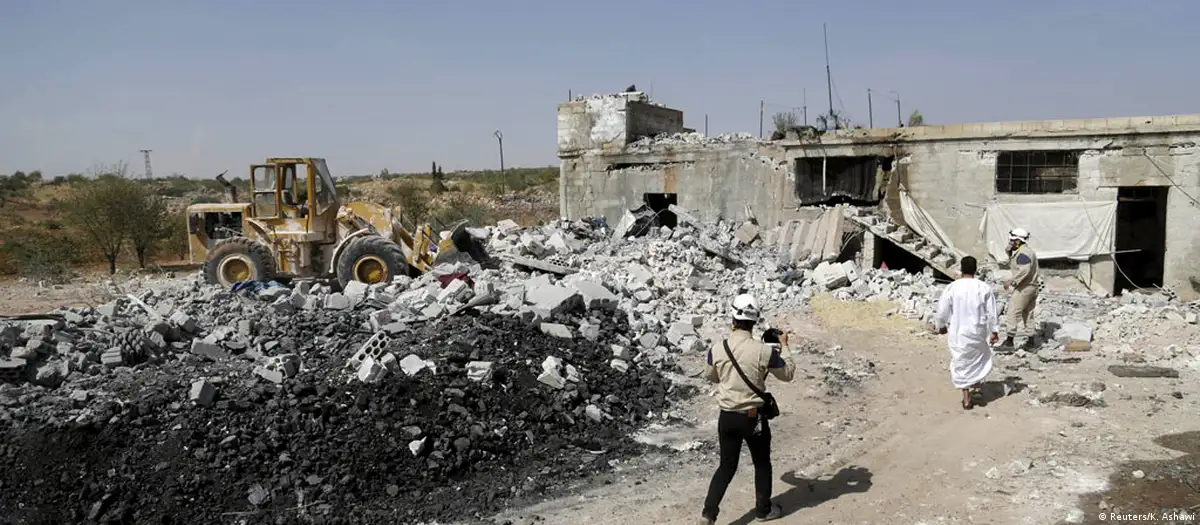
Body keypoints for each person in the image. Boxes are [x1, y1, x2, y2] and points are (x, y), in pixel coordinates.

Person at [699, 294, 796, 524]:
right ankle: (763, 510)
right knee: (761, 464)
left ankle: (708, 514)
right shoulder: (764, 352)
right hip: (753, 418)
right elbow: (787, 374)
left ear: (733, 319)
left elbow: (711, 376)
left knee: (726, 466)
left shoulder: (717, 349)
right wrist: (784, 346)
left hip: (727, 417)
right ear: (755, 321)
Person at [932, 256, 1000, 410]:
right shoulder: (983, 288)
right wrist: (994, 331)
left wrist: (941, 325)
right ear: (975, 269)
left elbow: (942, 311)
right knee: (977, 359)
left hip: (959, 331)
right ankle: (977, 388)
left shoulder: (952, 287)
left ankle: (967, 398)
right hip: (978, 331)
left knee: (961, 361)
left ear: (961, 269)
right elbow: (992, 313)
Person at [1001, 228, 1040, 349]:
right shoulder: (1025, 252)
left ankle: (1009, 342)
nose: (1010, 243)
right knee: (1028, 313)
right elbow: (1017, 266)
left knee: (1012, 312)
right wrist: (1009, 254)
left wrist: (1012, 281)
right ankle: (1031, 342)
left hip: (1024, 288)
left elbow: (1024, 270)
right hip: (1032, 287)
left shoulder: (1023, 253)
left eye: (1012, 241)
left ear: (1018, 241)